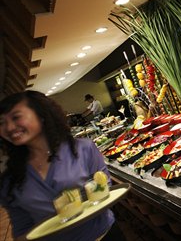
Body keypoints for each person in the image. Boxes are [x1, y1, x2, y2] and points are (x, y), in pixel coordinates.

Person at [0, 91, 124, 240]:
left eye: (16, 117)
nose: (9, 127)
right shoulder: (10, 180)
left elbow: (105, 189)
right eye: (1, 122)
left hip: (104, 236)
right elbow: (22, 228)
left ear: (41, 115)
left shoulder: (82, 149)